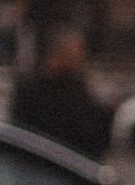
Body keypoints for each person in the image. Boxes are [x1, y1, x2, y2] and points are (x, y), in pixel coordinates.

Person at [10, 22, 115, 163]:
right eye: (73, 55)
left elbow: (97, 138)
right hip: (47, 167)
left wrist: (107, 113)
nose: (80, 61)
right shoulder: (34, 90)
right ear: (55, 55)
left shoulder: (79, 88)